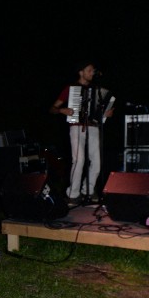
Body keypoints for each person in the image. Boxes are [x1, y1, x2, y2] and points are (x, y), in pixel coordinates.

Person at [49, 61, 114, 206]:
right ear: (81, 72)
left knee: (97, 162)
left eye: (93, 70)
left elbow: (100, 112)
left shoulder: (96, 90)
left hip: (93, 126)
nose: (92, 73)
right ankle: (73, 194)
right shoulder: (70, 89)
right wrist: (62, 110)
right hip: (77, 126)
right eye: (89, 70)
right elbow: (52, 108)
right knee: (79, 160)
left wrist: (106, 114)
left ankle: (89, 190)